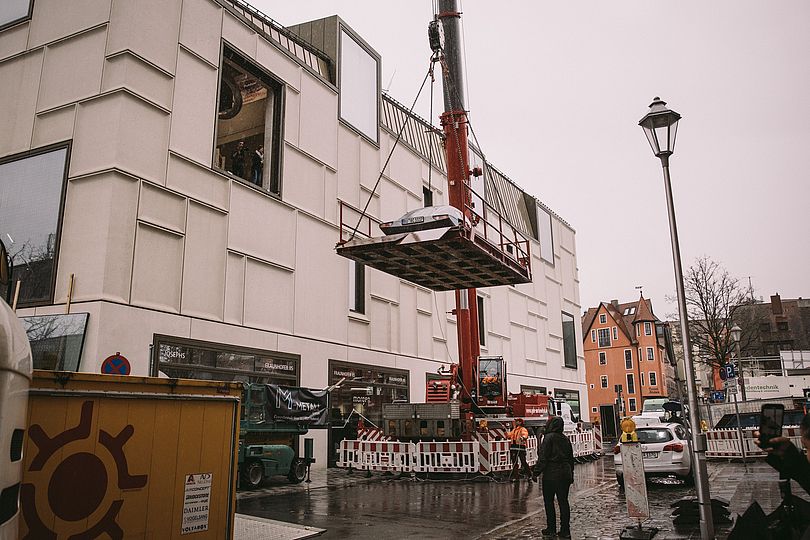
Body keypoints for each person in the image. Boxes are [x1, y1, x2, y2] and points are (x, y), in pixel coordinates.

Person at [537, 416, 574, 538]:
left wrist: (535, 472)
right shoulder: (565, 439)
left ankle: (551, 528)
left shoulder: (548, 438)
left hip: (551, 475)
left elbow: (543, 457)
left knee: (549, 502)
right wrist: (571, 473)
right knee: (563, 502)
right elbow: (570, 458)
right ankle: (565, 530)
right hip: (565, 474)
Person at [507, 418, 535, 482]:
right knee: (514, 463)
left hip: (520, 448)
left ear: (520, 422)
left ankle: (530, 475)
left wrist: (523, 437)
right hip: (513, 448)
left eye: (517, 421)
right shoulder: (514, 430)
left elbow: (525, 435)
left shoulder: (523, 429)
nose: (516, 422)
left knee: (523, 462)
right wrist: (505, 432)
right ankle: (516, 477)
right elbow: (509, 436)